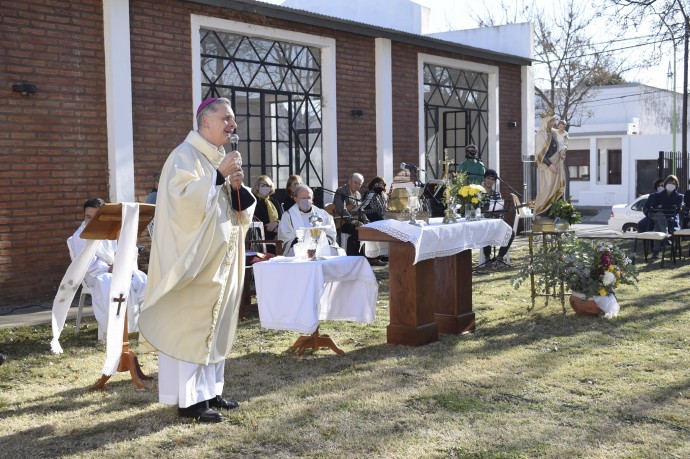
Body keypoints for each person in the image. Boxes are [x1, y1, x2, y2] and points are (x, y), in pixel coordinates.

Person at [138, 97, 256, 423]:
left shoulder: (216, 157)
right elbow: (180, 203)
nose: (232, 125)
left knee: (215, 326)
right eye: (226, 119)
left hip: (220, 261)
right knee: (192, 327)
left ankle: (211, 392)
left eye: (232, 120)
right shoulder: (183, 156)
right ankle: (190, 402)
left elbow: (237, 209)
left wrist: (235, 184)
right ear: (206, 121)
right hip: (194, 264)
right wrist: (218, 175)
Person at [68, 197, 147, 337]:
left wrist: (120, 263)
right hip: (95, 275)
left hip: (118, 269)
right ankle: (115, 330)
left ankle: (142, 324)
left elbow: (127, 249)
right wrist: (109, 268)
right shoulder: (79, 236)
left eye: (95, 217)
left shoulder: (111, 230)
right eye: (87, 216)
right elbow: (87, 263)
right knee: (109, 282)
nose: (90, 220)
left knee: (142, 279)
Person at [277, 184, 343, 256]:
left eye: (308, 197)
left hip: (320, 247)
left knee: (337, 252)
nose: (306, 200)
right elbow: (285, 237)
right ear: (295, 199)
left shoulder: (323, 214)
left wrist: (319, 241)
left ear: (312, 198)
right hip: (298, 248)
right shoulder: (288, 216)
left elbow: (331, 233)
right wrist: (305, 240)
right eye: (303, 198)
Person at [333, 173, 377, 262]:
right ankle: (353, 258)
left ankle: (369, 257)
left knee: (369, 228)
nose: (357, 185)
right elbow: (342, 210)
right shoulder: (341, 191)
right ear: (350, 182)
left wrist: (366, 221)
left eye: (359, 184)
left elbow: (361, 210)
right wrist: (355, 222)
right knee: (357, 230)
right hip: (342, 222)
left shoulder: (358, 194)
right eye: (355, 182)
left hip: (353, 221)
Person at [480, 170, 515, 268]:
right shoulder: (478, 193)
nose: (489, 181)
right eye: (488, 178)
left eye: (492, 179)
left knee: (511, 232)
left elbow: (500, 211)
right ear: (484, 178)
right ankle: (487, 257)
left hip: (496, 222)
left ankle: (500, 257)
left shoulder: (497, 194)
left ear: (494, 182)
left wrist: (500, 217)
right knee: (487, 231)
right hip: (484, 223)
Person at [643, 174, 683, 260]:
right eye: (669, 182)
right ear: (665, 183)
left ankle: (655, 253)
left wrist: (662, 206)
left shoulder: (679, 196)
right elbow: (653, 208)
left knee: (658, 227)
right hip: (658, 216)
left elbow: (677, 210)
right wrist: (665, 207)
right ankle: (666, 235)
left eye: (673, 183)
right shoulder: (658, 195)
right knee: (660, 215)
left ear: (676, 185)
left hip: (671, 220)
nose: (671, 184)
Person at [534, 112, 566, 216]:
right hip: (548, 168)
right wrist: (550, 165)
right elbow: (539, 154)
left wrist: (562, 152)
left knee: (557, 190)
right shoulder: (540, 135)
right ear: (546, 122)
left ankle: (555, 215)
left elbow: (561, 145)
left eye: (554, 121)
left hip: (557, 165)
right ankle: (543, 214)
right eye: (551, 121)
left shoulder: (554, 133)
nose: (553, 123)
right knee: (546, 190)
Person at [251, 175, 283, 246]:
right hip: (262, 233)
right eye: (263, 185)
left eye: (268, 185)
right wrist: (270, 227)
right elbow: (256, 219)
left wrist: (276, 223)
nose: (265, 187)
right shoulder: (254, 201)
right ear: (257, 187)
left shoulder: (274, 201)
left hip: (277, 230)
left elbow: (282, 217)